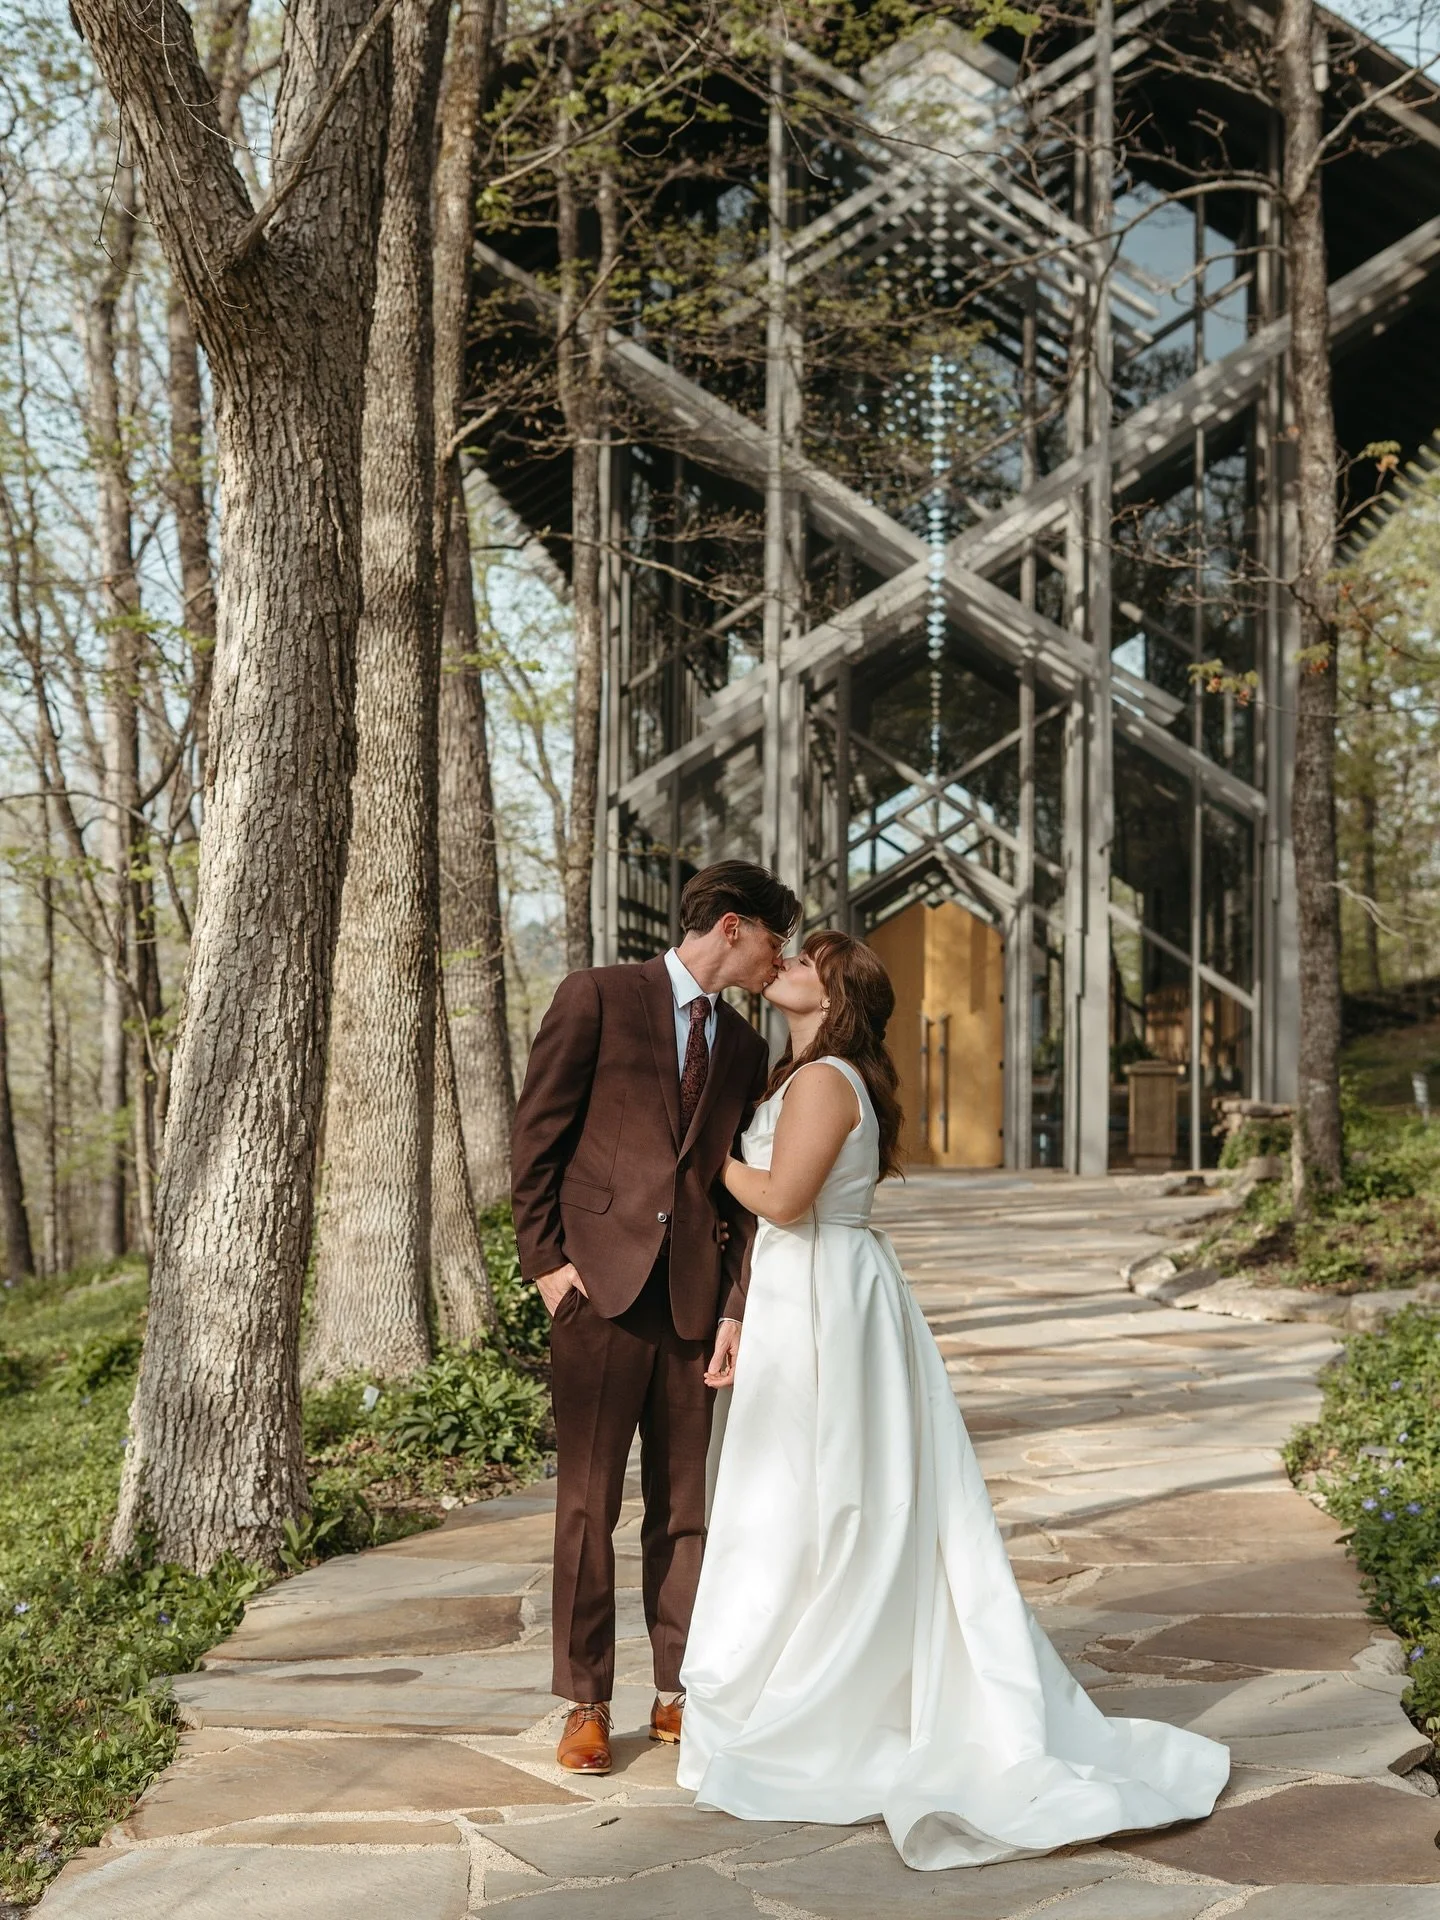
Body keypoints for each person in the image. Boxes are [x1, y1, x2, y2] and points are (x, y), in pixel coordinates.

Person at [678, 929, 1230, 1869]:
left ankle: (831, 1696)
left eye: (806, 962)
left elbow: (783, 1199)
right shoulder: (798, 1076)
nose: (786, 966)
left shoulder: (824, 1082)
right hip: (805, 1293)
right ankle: (797, 1670)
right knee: (803, 1493)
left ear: (835, 994)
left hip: (824, 1299)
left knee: (831, 1494)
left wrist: (698, 1157)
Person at [511, 861, 800, 1776]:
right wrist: (547, 1267)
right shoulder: (597, 997)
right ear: (731, 926)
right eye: (774, 938)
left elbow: (742, 1197)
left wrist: (735, 1307)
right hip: (595, 1295)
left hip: (691, 1306)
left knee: (685, 1512)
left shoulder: (745, 1047)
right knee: (587, 1505)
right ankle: (585, 1702)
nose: (779, 957)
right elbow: (537, 1136)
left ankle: (677, 1689)